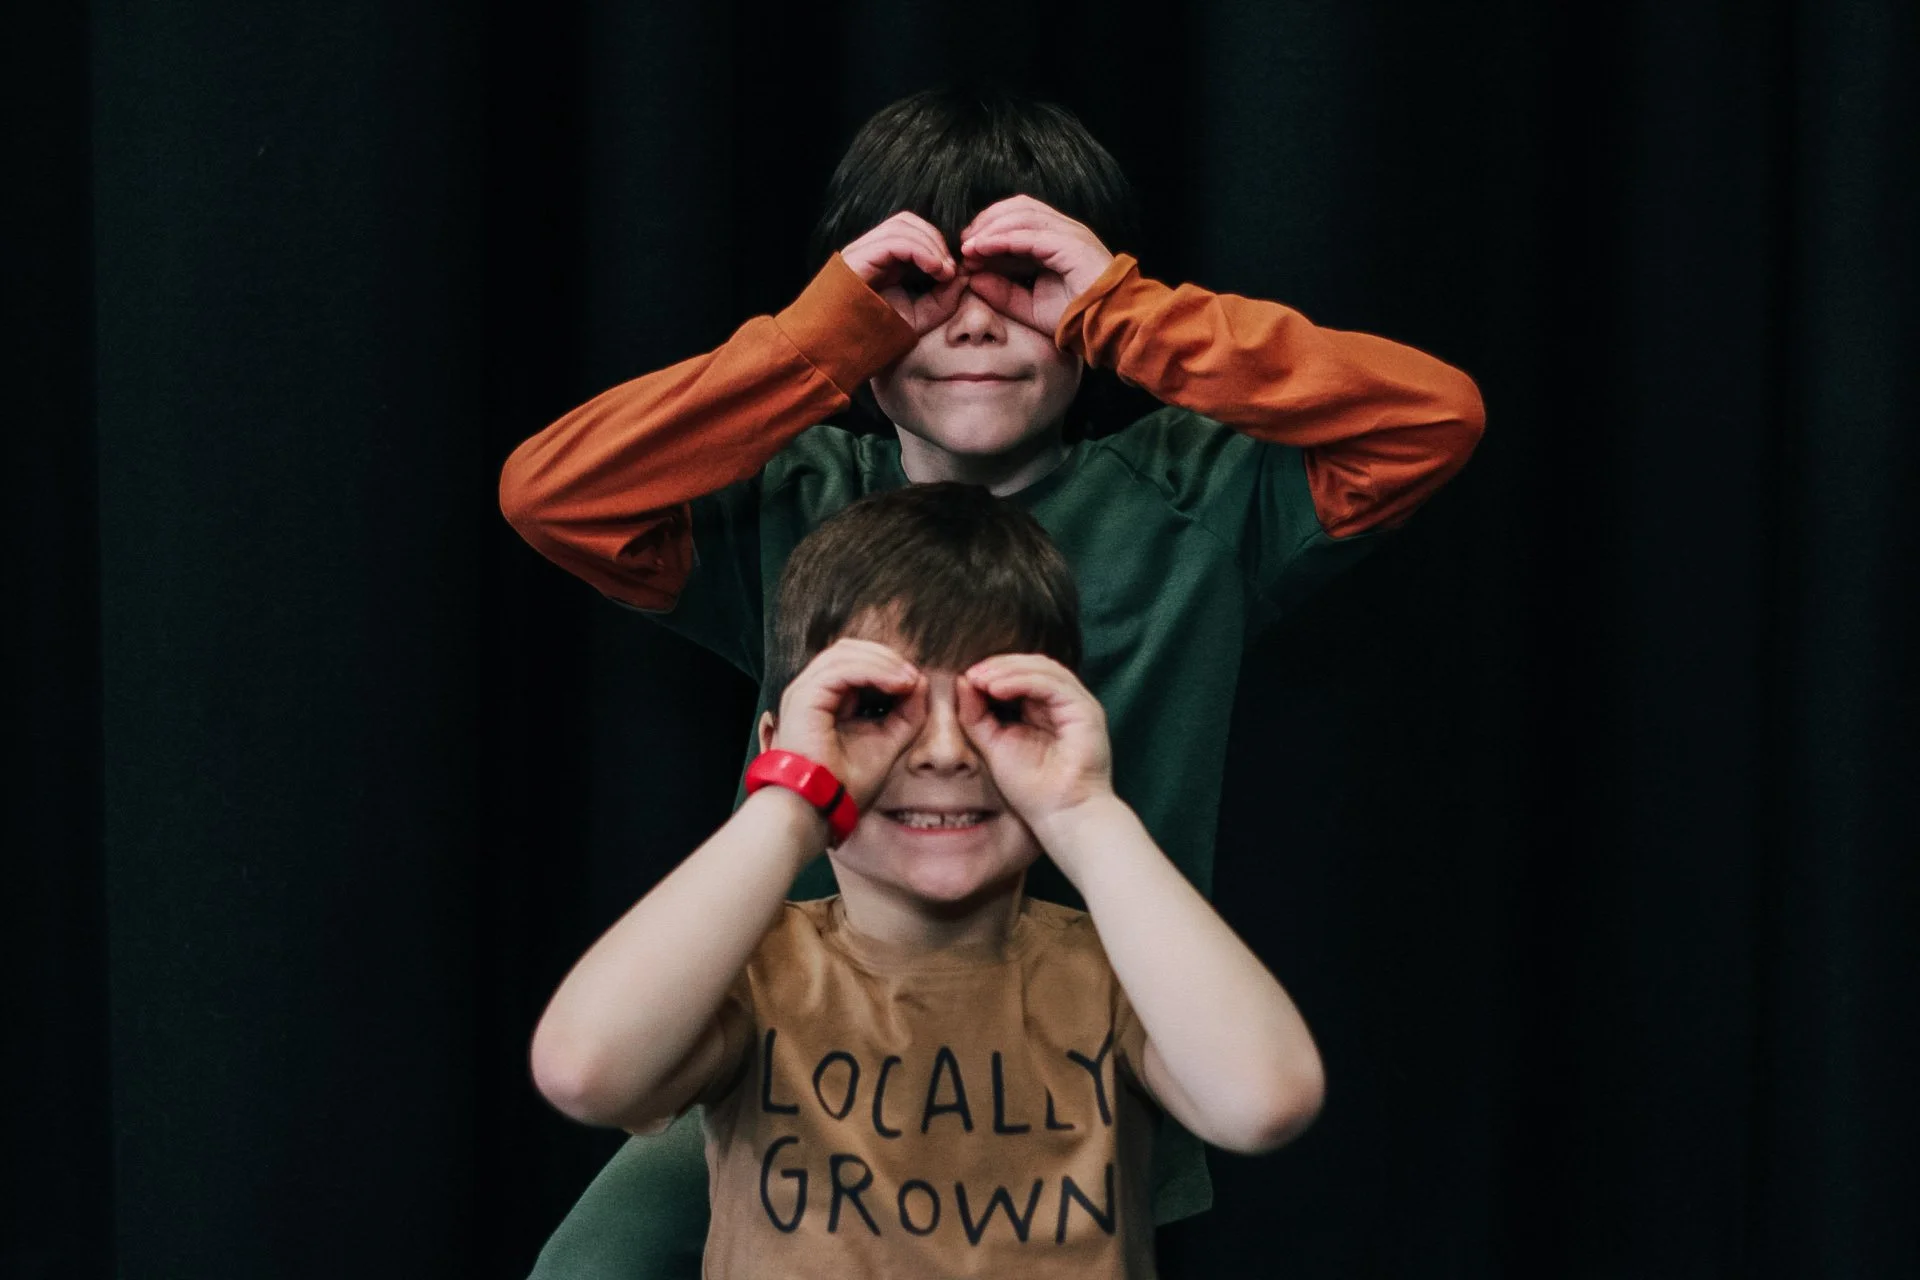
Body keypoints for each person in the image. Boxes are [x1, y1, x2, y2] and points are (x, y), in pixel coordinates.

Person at [501, 85, 1482, 1278]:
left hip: (1079, 1035)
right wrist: (829, 337)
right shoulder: (796, 500)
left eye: (1017, 283)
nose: (972, 327)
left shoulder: (1194, 500)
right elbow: (558, 496)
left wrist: (1121, 311)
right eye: (923, 291)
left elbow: (1430, 420)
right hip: (794, 1035)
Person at [531, 484, 1326, 1278]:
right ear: (783, 745)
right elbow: (584, 1071)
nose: (945, 753)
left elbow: (1264, 1101)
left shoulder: (1120, 975)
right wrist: (792, 800)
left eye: (1003, 709)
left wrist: (1082, 810)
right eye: (873, 707)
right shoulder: (751, 972)